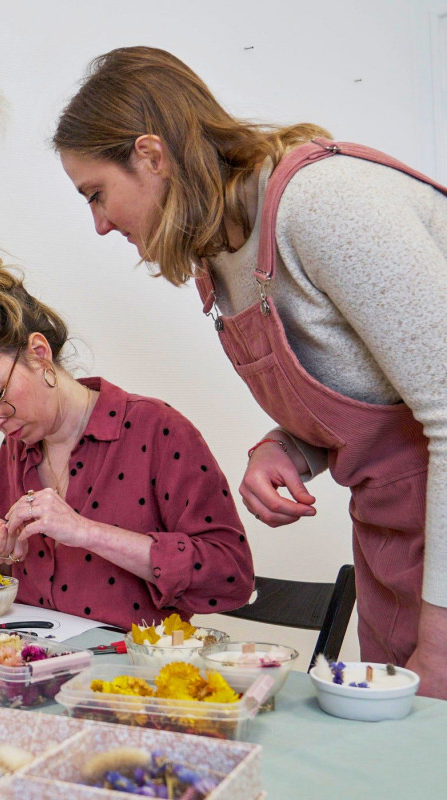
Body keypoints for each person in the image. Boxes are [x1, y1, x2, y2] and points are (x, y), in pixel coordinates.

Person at [52, 45, 447, 698]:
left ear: (151, 156)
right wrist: (284, 448)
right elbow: (370, 395)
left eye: (97, 194)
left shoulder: (321, 205)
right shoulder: (226, 258)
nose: (98, 224)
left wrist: (440, 634)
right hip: (399, 554)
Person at [0, 237, 253, 631]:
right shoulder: (16, 451)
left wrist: (85, 531)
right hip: (32, 672)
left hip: (128, 682)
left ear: (39, 353)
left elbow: (230, 576)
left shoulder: (158, 431)